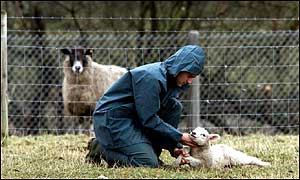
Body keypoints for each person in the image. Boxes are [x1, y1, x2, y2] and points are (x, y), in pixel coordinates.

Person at [85, 45, 206, 168]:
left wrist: (174, 147)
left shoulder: (169, 80)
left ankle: (150, 153)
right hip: (113, 119)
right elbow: (148, 119)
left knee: (174, 106)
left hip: (133, 117)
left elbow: (157, 113)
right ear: (180, 67)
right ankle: (100, 148)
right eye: (189, 75)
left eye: (193, 77)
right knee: (146, 163)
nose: (190, 81)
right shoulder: (151, 78)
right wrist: (179, 137)